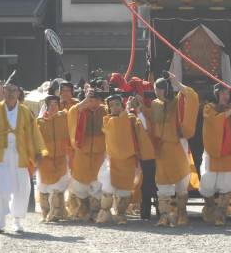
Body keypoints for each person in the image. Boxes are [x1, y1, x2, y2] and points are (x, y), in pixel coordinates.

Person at [0, 83, 45, 234]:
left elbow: (34, 134)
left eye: (14, 91)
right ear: (3, 93)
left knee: (22, 188)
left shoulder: (26, 112)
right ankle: (0, 221)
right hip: (0, 155)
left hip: (20, 154)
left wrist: (38, 152)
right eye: (8, 91)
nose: (12, 94)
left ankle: (17, 221)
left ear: (19, 93)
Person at [148, 72, 199, 227]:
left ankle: (182, 214)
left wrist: (178, 84)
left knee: (180, 182)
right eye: (156, 89)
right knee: (162, 183)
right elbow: (152, 124)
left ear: (167, 90)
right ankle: (165, 216)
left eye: (159, 89)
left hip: (177, 146)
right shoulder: (155, 104)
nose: (157, 92)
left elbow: (192, 97)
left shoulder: (177, 102)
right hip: (161, 149)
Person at [200, 84, 231, 227]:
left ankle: (221, 214)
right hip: (213, 150)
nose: (225, 96)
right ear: (216, 94)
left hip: (230, 151)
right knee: (207, 182)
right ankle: (210, 207)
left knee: (227, 183)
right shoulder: (209, 108)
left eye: (227, 93)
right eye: (222, 93)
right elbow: (213, 121)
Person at [102, 92, 154, 225]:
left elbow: (144, 130)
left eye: (117, 104)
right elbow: (117, 124)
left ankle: (120, 214)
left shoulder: (131, 118)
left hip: (128, 161)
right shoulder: (107, 120)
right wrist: (126, 111)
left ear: (122, 105)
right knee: (107, 189)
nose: (115, 108)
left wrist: (137, 111)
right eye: (112, 105)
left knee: (124, 191)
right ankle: (105, 213)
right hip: (112, 161)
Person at [66, 87, 108, 221]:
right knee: (80, 182)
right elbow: (72, 114)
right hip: (82, 153)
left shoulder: (105, 110)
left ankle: (96, 210)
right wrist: (85, 101)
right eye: (91, 99)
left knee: (98, 182)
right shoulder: (79, 109)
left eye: (96, 99)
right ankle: (82, 208)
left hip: (99, 154)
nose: (93, 102)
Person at [35, 94, 71, 222]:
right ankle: (45, 212)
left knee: (58, 188)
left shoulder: (64, 117)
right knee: (44, 188)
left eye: (56, 104)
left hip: (61, 158)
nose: (54, 107)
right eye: (51, 104)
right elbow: (35, 141)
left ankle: (57, 212)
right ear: (46, 106)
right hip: (45, 160)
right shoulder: (39, 122)